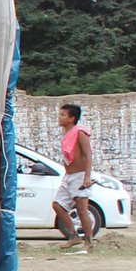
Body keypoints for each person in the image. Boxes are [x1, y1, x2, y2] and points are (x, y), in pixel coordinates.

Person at [52, 102, 97, 253]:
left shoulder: (80, 132)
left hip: (80, 175)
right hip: (69, 175)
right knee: (58, 205)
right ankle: (73, 236)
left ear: (72, 118)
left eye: (62, 115)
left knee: (82, 209)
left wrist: (87, 176)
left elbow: (88, 154)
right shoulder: (66, 134)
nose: (59, 117)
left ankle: (89, 241)